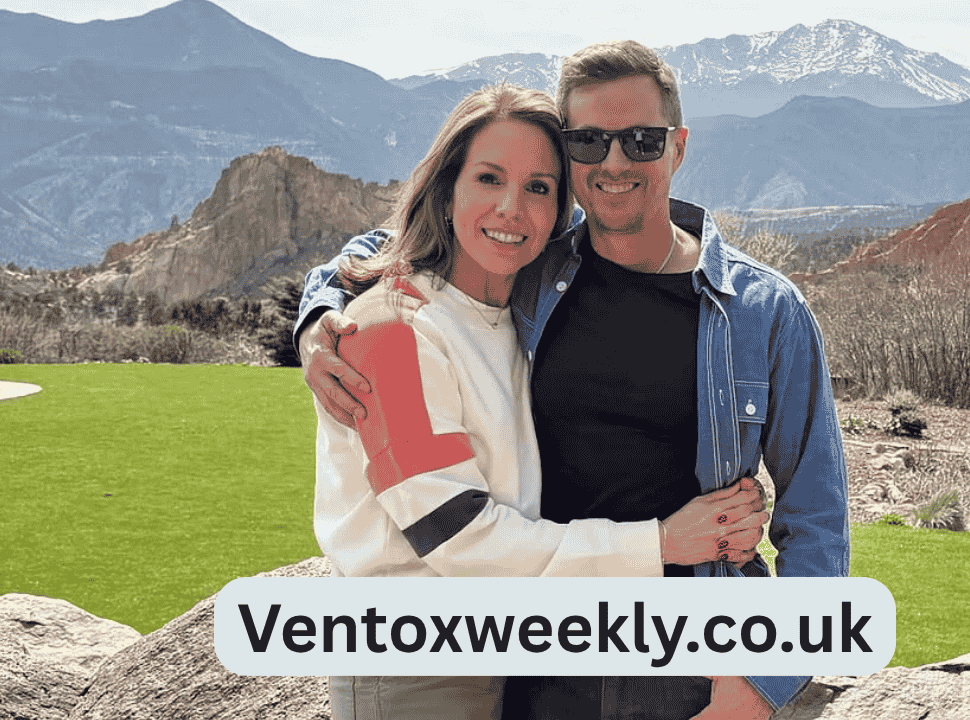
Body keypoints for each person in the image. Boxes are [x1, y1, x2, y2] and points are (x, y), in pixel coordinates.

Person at [300, 42, 850, 719]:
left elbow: (817, 519)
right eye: (588, 142)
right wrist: (320, 313)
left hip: (696, 671)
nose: (614, 162)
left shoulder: (764, 312)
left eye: (641, 140)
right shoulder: (533, 271)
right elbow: (390, 254)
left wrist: (761, 685)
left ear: (677, 147)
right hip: (541, 669)